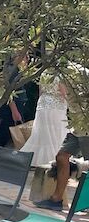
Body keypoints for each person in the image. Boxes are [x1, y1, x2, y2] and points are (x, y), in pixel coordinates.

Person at [35, 69, 89, 211]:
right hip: (77, 124)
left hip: (85, 123)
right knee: (61, 156)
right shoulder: (55, 72)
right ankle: (57, 199)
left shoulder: (77, 72)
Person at [20, 75, 70, 166]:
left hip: (43, 104)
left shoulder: (44, 73)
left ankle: (33, 158)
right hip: (56, 106)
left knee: (42, 132)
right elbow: (63, 93)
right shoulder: (60, 75)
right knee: (56, 132)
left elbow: (41, 91)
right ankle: (55, 158)